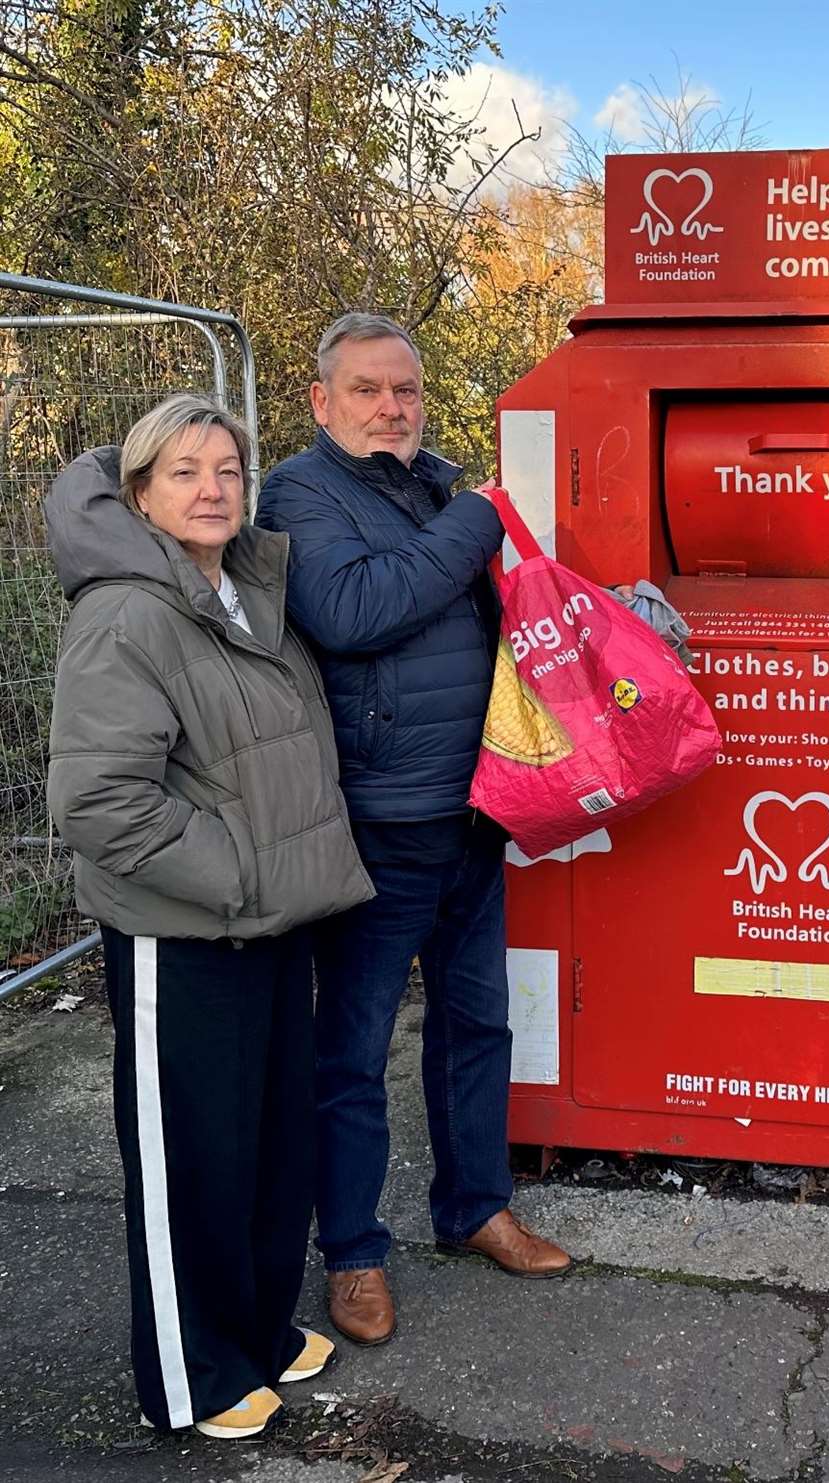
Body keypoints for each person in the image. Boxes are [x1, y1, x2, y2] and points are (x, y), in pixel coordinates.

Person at [46, 394, 374, 1438]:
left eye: (227, 467)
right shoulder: (127, 611)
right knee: (192, 1160)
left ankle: (259, 1332)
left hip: (271, 920)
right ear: (140, 493)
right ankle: (190, 1376)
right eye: (184, 471)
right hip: (183, 931)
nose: (211, 488)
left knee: (270, 1147)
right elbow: (100, 801)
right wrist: (236, 872)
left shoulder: (240, 589)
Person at [255, 313, 571, 1347]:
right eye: (367, 390)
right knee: (350, 1050)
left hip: (479, 809)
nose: (391, 407)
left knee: (477, 1025)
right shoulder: (301, 493)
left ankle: (475, 1207)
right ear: (321, 402)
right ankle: (351, 1251)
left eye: (406, 390)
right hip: (381, 818)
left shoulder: (433, 484)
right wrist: (475, 523)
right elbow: (351, 611)